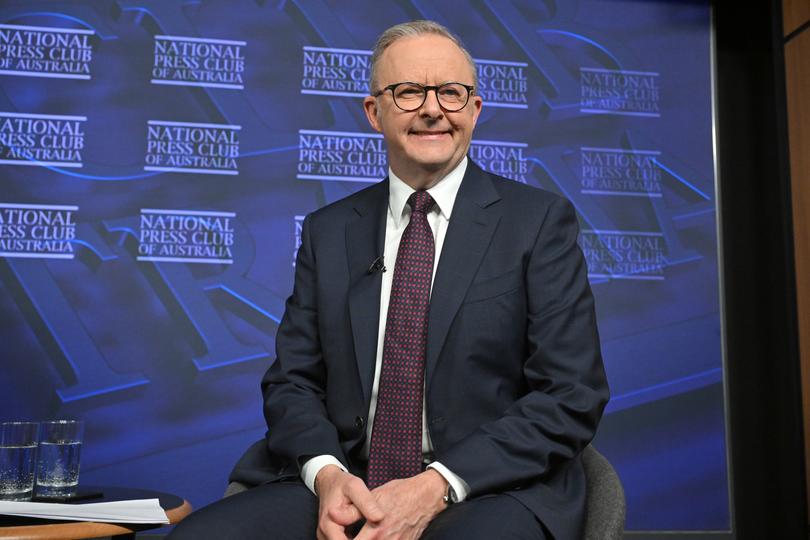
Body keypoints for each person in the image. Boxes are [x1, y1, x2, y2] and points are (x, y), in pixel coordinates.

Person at [169, 20, 609, 540]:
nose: (432, 109)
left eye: (451, 92)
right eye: (409, 92)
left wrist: (436, 484)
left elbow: (570, 394)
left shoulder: (537, 223)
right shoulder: (328, 231)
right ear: (373, 113)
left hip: (488, 487)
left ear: (474, 110)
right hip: (346, 483)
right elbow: (292, 382)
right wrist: (327, 476)